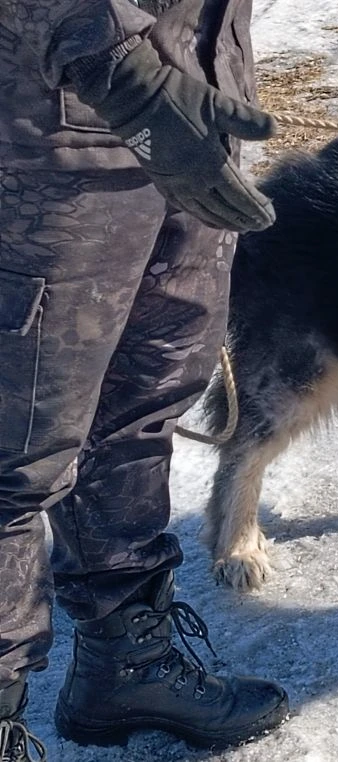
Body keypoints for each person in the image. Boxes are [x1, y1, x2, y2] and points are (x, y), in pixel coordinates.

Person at [0, 0, 290, 758]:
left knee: (139, 411)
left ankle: (125, 662)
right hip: (42, 147)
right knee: (14, 455)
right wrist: (125, 75)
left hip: (193, 124)